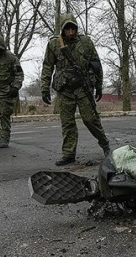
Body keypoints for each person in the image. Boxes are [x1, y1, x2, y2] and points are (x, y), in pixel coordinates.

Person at [41, 13, 110, 166]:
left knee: (91, 119)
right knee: (67, 123)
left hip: (82, 88)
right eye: (67, 29)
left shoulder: (85, 42)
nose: (71, 32)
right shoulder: (54, 44)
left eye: (73, 29)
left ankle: (105, 145)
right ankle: (69, 154)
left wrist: (99, 85)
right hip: (64, 89)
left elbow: (96, 64)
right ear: (63, 30)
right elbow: (47, 66)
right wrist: (44, 88)